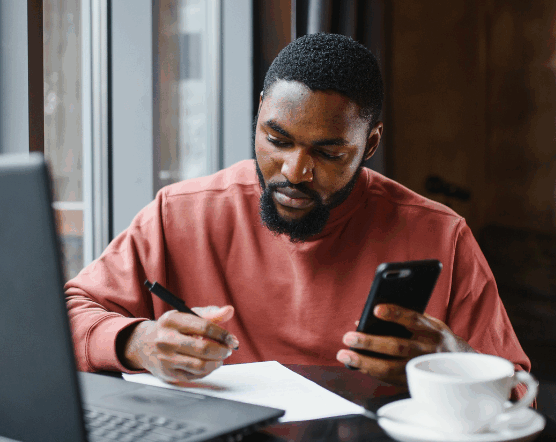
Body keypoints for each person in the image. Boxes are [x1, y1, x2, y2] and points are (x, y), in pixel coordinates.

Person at [65, 32, 530, 392]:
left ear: (369, 145)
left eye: (328, 153)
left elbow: (518, 392)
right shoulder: (181, 213)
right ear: (259, 118)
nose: (296, 171)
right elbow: (67, 314)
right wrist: (137, 342)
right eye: (277, 140)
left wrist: (454, 364)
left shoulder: (441, 235)